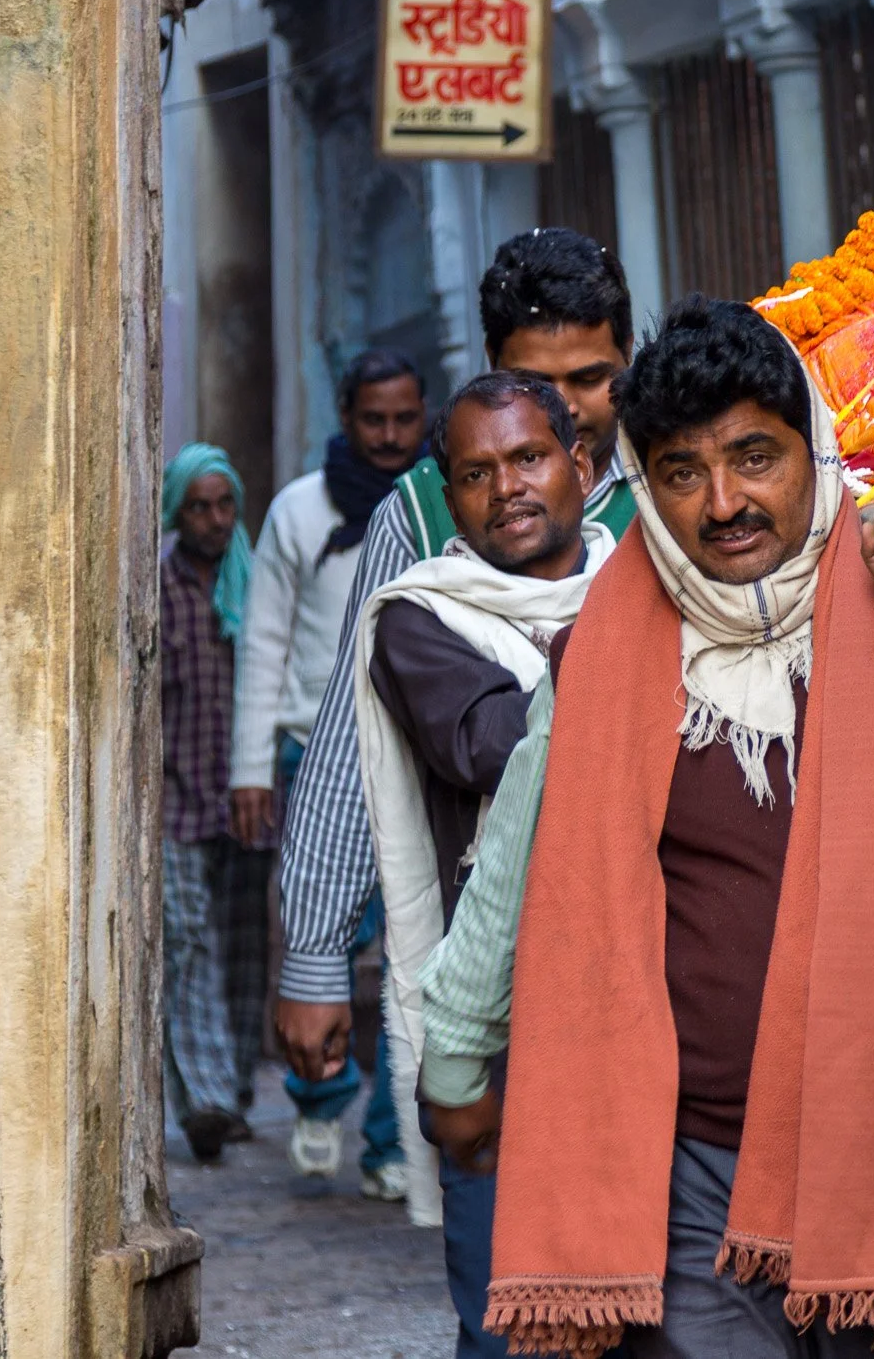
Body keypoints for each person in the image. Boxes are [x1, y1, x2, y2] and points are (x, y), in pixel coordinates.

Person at [413, 298, 874, 1358]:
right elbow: (519, 855)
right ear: (644, 483)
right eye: (683, 472)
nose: (725, 502)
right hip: (677, 1160)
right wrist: (455, 1054)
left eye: (753, 457)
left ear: (811, 447)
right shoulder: (608, 636)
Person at [274, 229, 637, 1165]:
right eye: (536, 380)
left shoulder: (679, 484)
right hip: (491, 929)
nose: (570, 408)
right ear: (491, 373)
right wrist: (315, 957)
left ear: (628, 360)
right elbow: (358, 737)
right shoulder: (422, 513)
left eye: (593, 377)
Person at [355, 371, 612, 1356]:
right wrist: (621, 651)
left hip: (647, 1005)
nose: (506, 486)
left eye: (528, 457)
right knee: (510, 1317)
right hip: (498, 1020)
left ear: (580, 464)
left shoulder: (654, 583)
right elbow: (489, 741)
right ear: (448, 497)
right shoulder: (420, 617)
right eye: (475, 472)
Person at [231, 347, 427, 1197]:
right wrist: (251, 770)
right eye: (373, 419)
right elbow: (264, 641)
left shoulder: (443, 501)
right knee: (324, 941)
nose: (389, 436)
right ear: (346, 418)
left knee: (409, 950)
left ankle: (391, 1143)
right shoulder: (298, 513)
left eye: (404, 419)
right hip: (313, 751)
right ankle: (319, 1090)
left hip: (415, 757)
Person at [158, 442, 258, 1165]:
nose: (214, 519)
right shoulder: (157, 588)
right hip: (175, 802)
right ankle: (206, 1098)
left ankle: (237, 1093)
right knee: (187, 944)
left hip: (250, 798)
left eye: (224, 504)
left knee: (247, 953)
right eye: (199, 506)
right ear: (177, 513)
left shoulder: (255, 584)